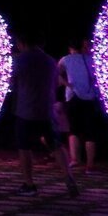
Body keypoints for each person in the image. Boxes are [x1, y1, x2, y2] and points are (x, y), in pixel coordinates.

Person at [12, 40, 78, 196]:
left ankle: (29, 184)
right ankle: (68, 177)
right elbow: (56, 83)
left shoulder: (20, 60)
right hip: (46, 109)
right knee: (56, 145)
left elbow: (13, 82)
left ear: (22, 43)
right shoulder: (49, 60)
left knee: (24, 147)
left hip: (25, 110)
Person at [59, 39, 104, 174]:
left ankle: (75, 159)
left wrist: (67, 84)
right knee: (90, 131)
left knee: (73, 129)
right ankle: (90, 165)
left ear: (70, 48)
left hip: (73, 96)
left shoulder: (66, 59)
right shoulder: (91, 60)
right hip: (90, 97)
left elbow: (56, 73)